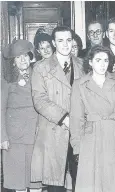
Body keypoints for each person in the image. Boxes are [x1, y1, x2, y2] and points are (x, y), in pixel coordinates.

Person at [69, 45, 115, 191]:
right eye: (98, 60)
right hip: (91, 138)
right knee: (93, 184)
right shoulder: (80, 84)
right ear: (90, 62)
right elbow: (76, 119)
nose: (103, 64)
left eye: (106, 60)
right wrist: (77, 148)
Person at [30, 26, 84, 192]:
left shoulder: (82, 64)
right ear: (54, 43)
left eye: (68, 40)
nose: (65, 44)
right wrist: (65, 119)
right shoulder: (41, 68)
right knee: (55, 184)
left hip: (79, 133)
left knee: (81, 180)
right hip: (55, 131)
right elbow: (39, 100)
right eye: (60, 40)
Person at [1, 39, 42, 192]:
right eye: (18, 57)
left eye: (25, 55)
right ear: (13, 61)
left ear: (31, 57)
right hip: (14, 137)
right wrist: (2, 137)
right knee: (18, 182)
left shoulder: (38, 75)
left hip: (35, 134)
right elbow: (0, 109)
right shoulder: (6, 80)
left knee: (35, 180)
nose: (23, 59)